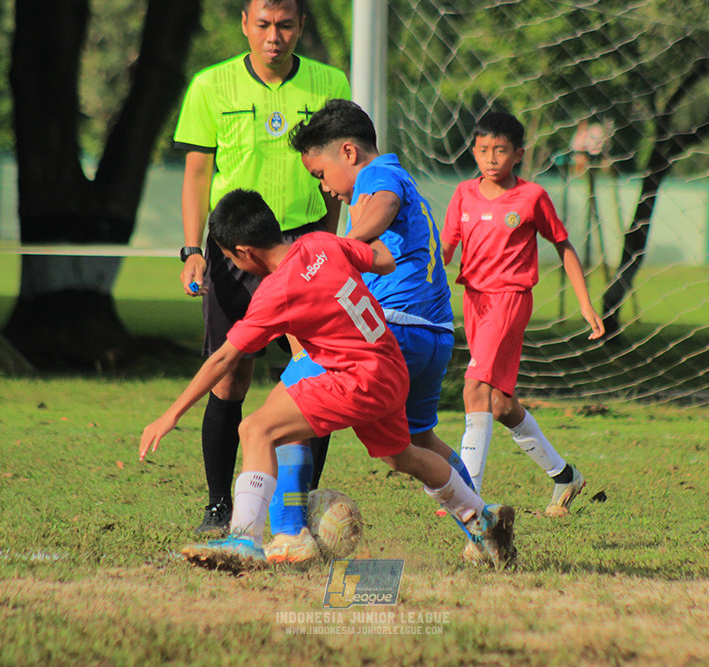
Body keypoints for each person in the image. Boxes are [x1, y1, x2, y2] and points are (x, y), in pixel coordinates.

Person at [138, 189, 516, 572]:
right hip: (388, 365)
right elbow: (384, 260)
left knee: (256, 428)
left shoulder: (275, 292)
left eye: (229, 256)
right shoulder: (320, 242)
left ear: (245, 253)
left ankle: (244, 540)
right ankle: (482, 519)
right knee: (402, 456)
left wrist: (170, 414)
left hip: (356, 378)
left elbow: (223, 357)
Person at [274, 99, 481, 565]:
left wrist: (345, 243)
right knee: (418, 442)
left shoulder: (377, 177)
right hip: (434, 335)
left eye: (321, 175)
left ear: (348, 152)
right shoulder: (398, 177)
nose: (327, 190)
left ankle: (288, 533)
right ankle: (481, 526)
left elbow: (384, 203)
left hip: (392, 333)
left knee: (284, 418)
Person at [171, 0, 351, 533]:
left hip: (305, 244)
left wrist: (327, 243)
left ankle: (299, 507)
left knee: (313, 375)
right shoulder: (210, 85)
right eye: (265, 25)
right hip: (235, 248)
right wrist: (193, 249)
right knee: (231, 376)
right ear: (246, 25)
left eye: (287, 25)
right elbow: (197, 175)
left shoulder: (329, 81)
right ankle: (218, 506)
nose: (275, 36)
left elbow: (339, 168)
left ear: (301, 26)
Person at [442, 110, 605, 522]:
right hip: (474, 301)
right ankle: (565, 475)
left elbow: (564, 245)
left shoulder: (531, 197)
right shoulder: (463, 193)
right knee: (498, 404)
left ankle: (467, 497)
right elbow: (444, 249)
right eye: (482, 150)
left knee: (473, 388)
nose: (490, 158)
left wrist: (585, 303)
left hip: (510, 299)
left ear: (518, 154)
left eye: (500, 150)